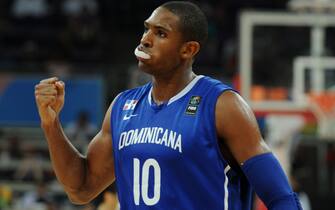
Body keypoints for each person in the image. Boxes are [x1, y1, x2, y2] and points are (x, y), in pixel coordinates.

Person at [34, 1, 302, 209]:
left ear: (188, 50)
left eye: (160, 33)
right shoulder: (123, 106)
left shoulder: (222, 105)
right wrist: (51, 124)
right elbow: (80, 189)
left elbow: (281, 198)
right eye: (147, 28)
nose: (145, 39)